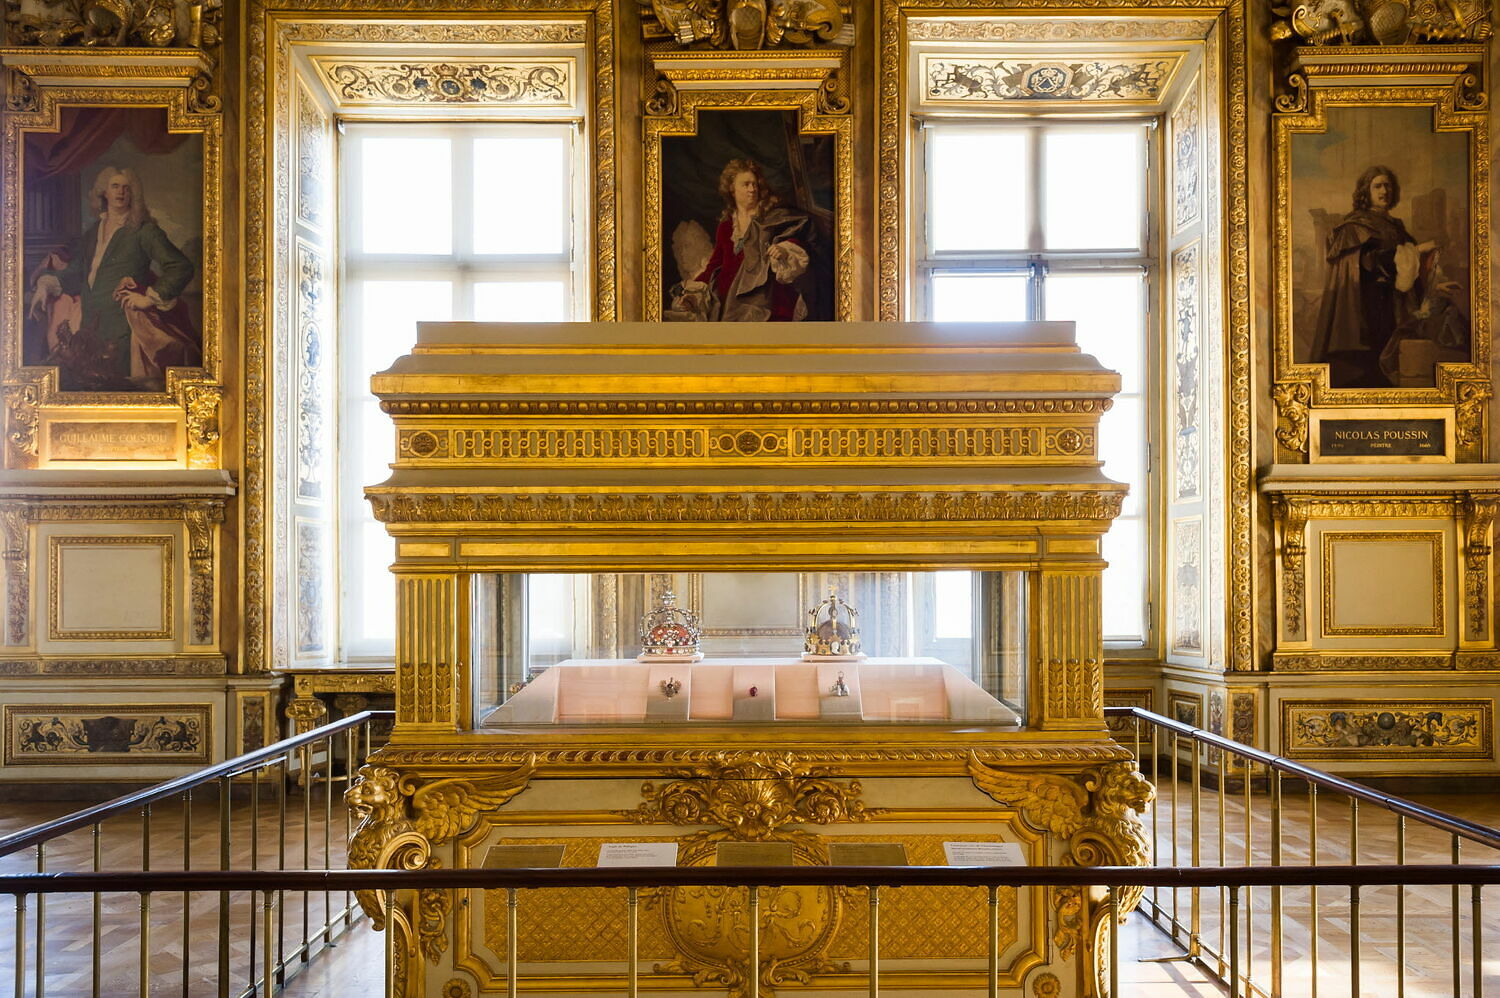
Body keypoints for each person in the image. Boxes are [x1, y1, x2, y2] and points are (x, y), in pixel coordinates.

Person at [27, 165, 199, 391]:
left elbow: (181, 266)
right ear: (103, 192)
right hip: (90, 325)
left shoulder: (143, 231)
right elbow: (77, 271)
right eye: (115, 186)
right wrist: (45, 285)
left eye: (127, 188)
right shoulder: (93, 232)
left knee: (123, 388)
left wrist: (149, 298)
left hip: (123, 325)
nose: (121, 192)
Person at [1310, 165, 1434, 388]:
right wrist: (1414, 251)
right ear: (1365, 191)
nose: (1384, 191)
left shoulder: (1396, 226)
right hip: (1367, 300)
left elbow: (1412, 266)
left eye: (1388, 185)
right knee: (1371, 362)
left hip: (1395, 299)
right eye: (1377, 186)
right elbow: (1366, 262)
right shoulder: (1355, 225)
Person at [671, 158, 813, 322]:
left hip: (765, 298)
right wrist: (692, 294)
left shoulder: (772, 218)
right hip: (728, 301)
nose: (752, 189)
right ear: (732, 188)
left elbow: (795, 238)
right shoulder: (726, 227)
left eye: (755, 184)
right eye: (746, 184)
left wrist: (783, 249)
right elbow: (714, 266)